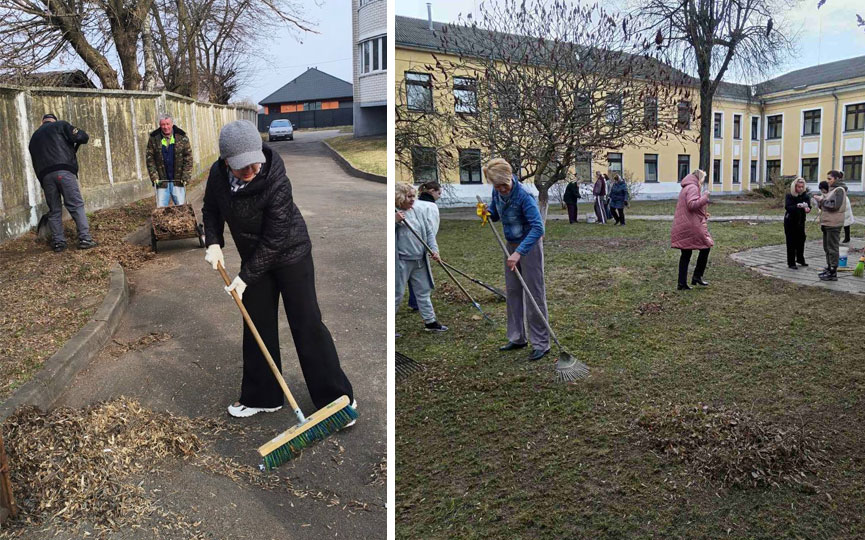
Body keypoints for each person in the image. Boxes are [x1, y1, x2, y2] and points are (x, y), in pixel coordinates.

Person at [201, 119, 354, 418]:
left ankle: (335, 398)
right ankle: (263, 396)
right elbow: (210, 209)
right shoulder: (217, 177)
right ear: (225, 161)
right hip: (252, 256)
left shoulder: (276, 178)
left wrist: (245, 277)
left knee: (307, 322)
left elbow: (275, 237)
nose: (251, 171)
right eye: (242, 166)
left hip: (291, 254)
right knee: (256, 325)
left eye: (253, 164)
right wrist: (214, 242)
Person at [481, 158, 549, 361]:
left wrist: (519, 252)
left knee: (534, 293)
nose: (501, 189)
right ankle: (517, 337)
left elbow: (538, 228)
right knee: (513, 292)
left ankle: (541, 343)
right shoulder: (497, 192)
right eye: (497, 186)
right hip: (509, 246)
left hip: (529, 247)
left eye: (504, 185)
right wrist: (487, 212)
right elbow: (495, 214)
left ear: (510, 177)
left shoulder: (524, 197)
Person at [28, 113, 98, 253]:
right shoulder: (60, 125)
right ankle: (84, 239)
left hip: (46, 177)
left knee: (54, 210)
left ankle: (59, 243)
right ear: (54, 120)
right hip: (64, 172)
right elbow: (82, 137)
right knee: (76, 205)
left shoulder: (34, 137)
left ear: (42, 123)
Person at [394, 182, 448, 332]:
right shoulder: (393, 212)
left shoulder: (417, 211)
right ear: (399, 197)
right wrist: (394, 221)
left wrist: (434, 250)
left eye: (414, 196)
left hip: (419, 259)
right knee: (396, 294)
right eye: (409, 196)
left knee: (423, 291)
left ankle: (430, 322)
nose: (412, 200)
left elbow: (429, 232)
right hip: (401, 261)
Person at [670, 170, 713, 290]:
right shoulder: (693, 187)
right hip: (691, 225)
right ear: (699, 177)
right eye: (703, 178)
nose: (703, 181)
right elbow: (692, 204)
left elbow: (690, 207)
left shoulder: (686, 187)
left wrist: (703, 213)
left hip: (684, 223)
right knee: (706, 247)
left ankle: (682, 283)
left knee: (686, 253)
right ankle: (697, 276)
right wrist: (705, 197)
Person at [407, 181, 444, 311]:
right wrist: (431, 246)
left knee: (412, 273)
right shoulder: (431, 206)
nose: (439, 196)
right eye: (438, 193)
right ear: (432, 191)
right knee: (419, 274)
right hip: (421, 245)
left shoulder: (414, 203)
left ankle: (415, 301)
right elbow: (431, 228)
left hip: (411, 244)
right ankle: (416, 301)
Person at [146, 113, 193, 207]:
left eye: (167, 124)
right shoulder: (154, 138)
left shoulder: (182, 137)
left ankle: (181, 222)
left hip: (178, 180)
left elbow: (188, 158)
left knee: (181, 208)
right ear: (160, 125)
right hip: (162, 181)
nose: (165, 127)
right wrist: (154, 176)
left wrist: (186, 176)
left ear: (172, 124)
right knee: (161, 210)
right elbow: (150, 159)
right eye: (163, 124)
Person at [812, 175, 847, 281]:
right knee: (827, 247)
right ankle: (829, 267)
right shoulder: (831, 190)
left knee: (832, 248)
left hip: (834, 223)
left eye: (829, 179)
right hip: (827, 223)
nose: (827, 181)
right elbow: (826, 205)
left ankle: (833, 272)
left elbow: (834, 206)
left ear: (836, 179)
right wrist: (819, 201)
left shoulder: (839, 190)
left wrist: (821, 200)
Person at [784, 177, 811, 269]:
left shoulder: (805, 196)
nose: (800, 189)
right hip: (790, 221)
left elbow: (808, 206)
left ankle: (800, 258)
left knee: (801, 239)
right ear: (794, 186)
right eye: (798, 187)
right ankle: (791, 262)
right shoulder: (789, 196)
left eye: (802, 187)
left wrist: (808, 209)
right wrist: (797, 206)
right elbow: (788, 207)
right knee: (791, 241)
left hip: (801, 221)